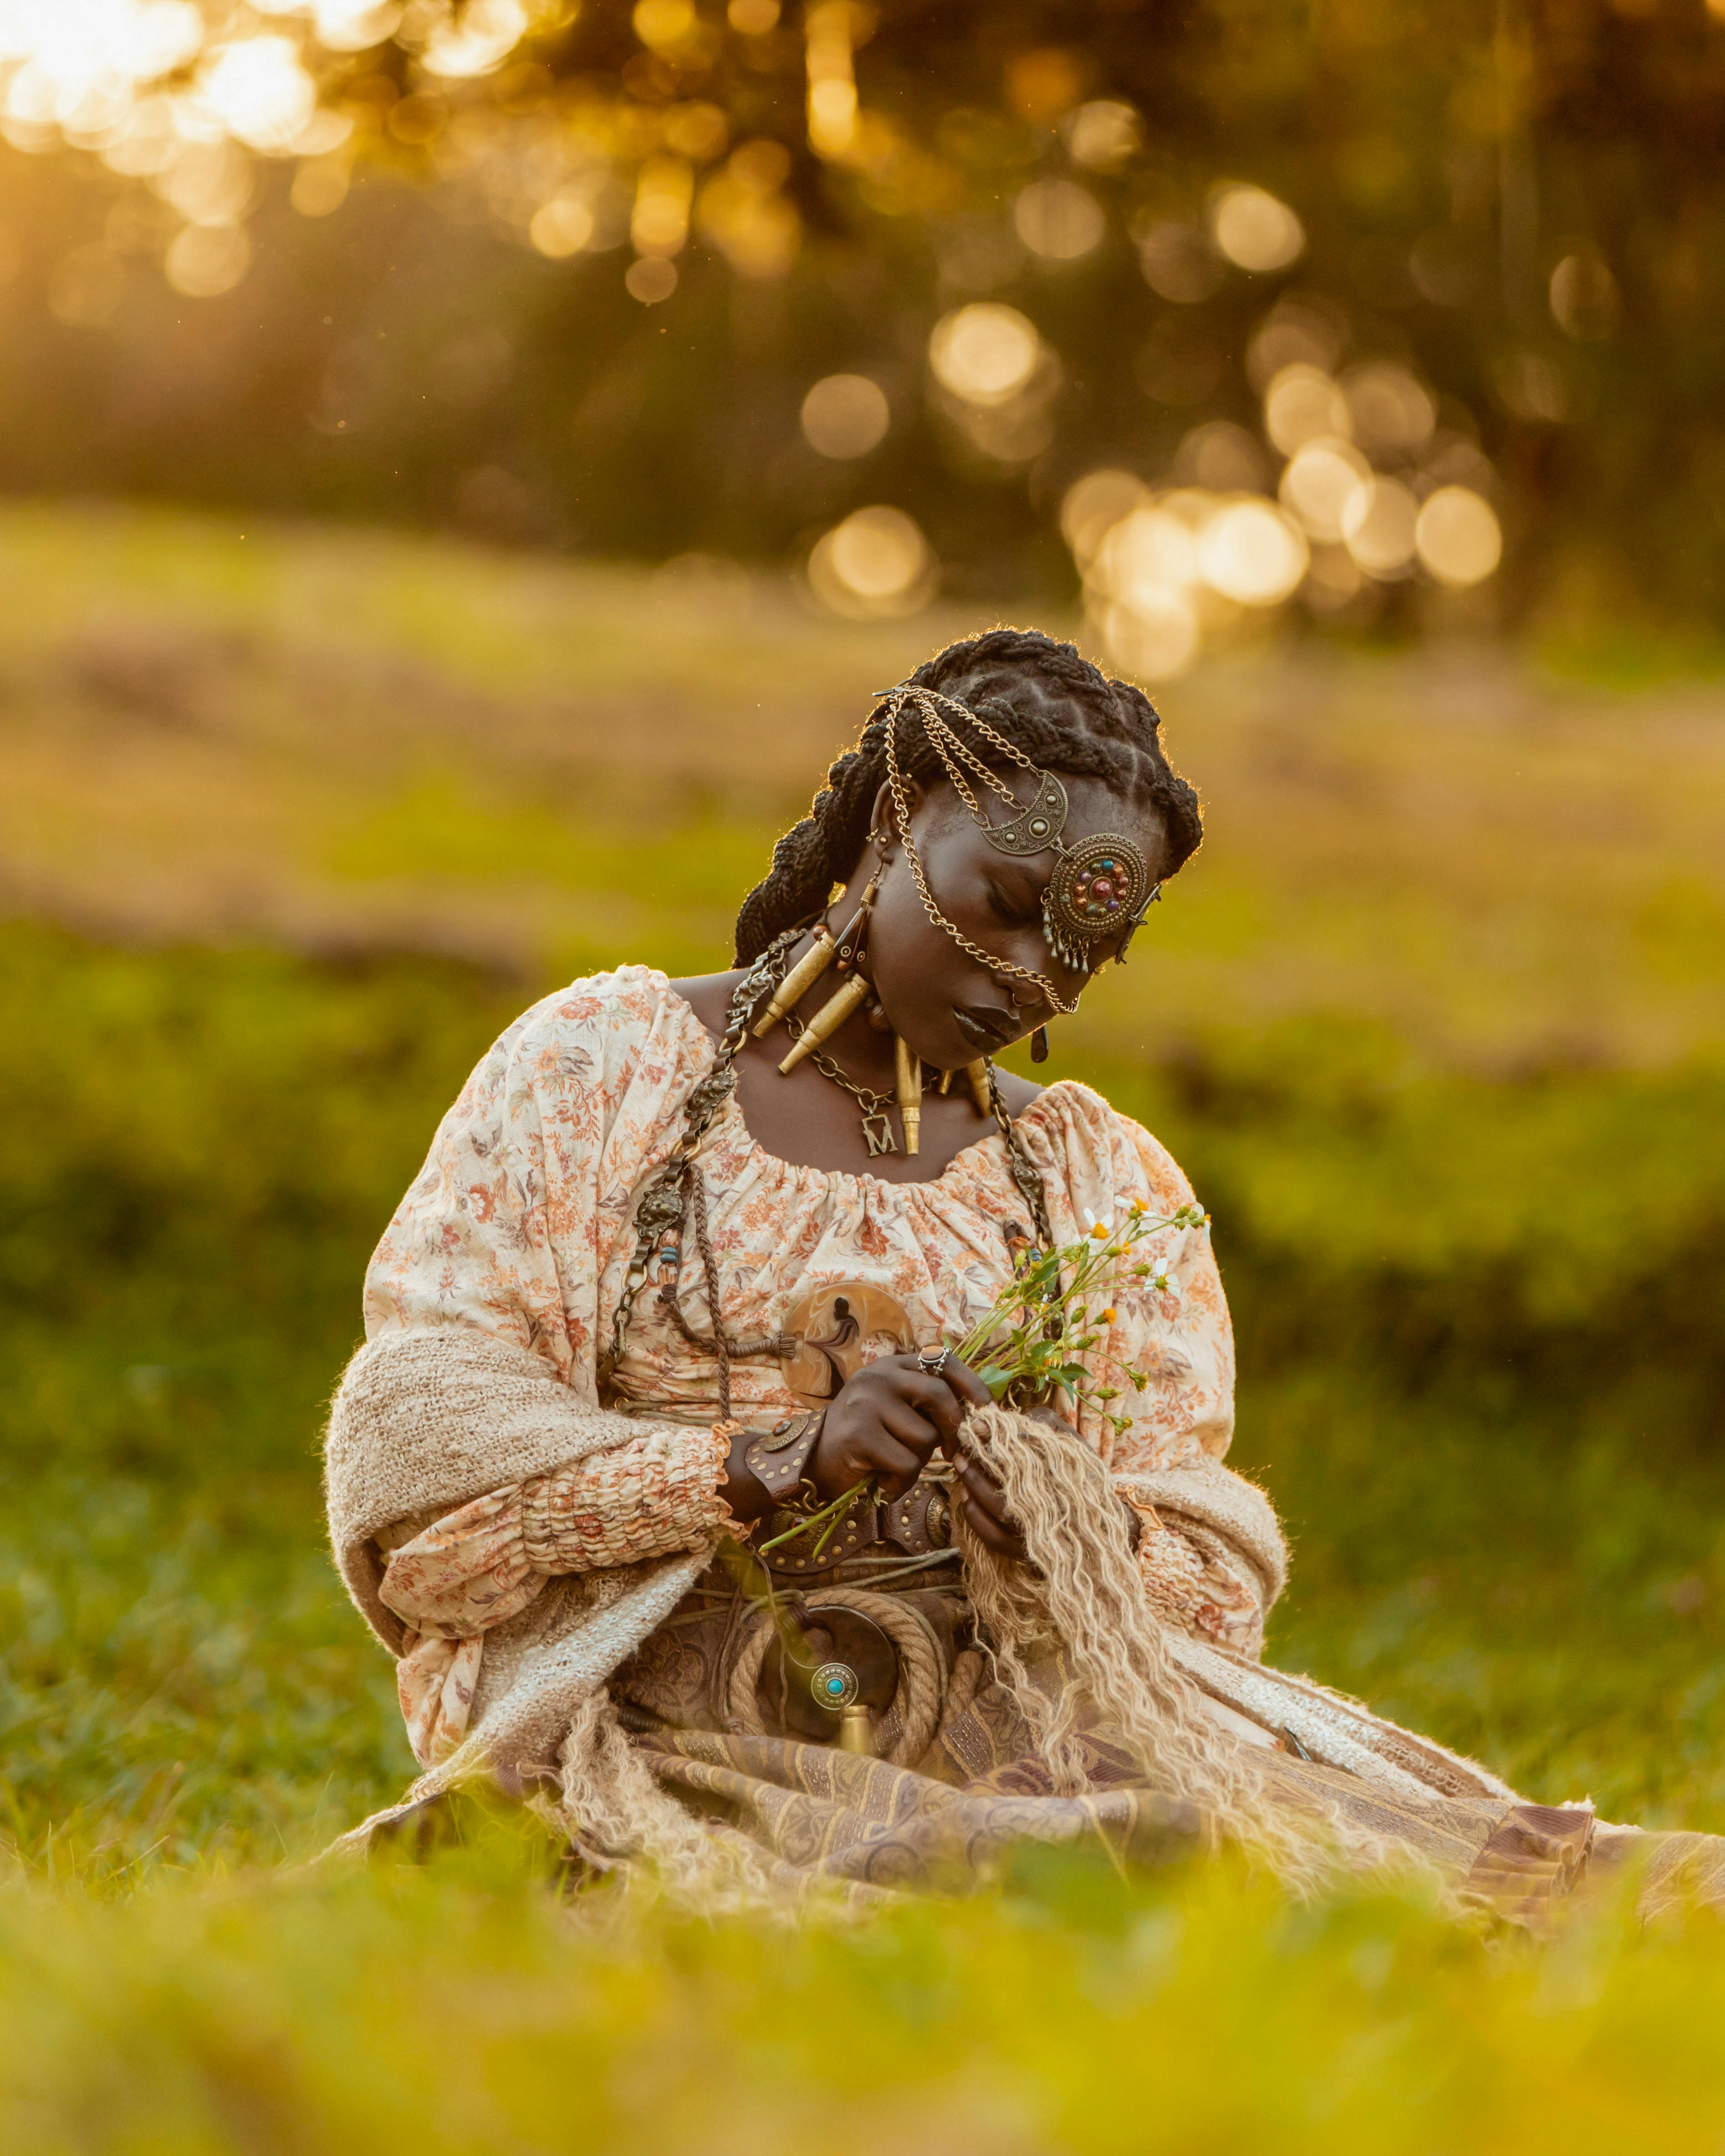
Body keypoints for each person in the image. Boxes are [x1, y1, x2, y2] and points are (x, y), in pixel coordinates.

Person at [324, 627, 1720, 1916]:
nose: (1025, 978)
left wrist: (1063, 1526)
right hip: (674, 1711)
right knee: (1117, 1874)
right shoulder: (601, 1072)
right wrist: (771, 1463)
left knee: (1408, 1869)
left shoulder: (1094, 1181)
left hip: (1033, 1714)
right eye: (999, 905)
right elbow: (425, 1499)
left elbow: (1207, 1585)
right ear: (889, 824)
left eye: (1084, 952)